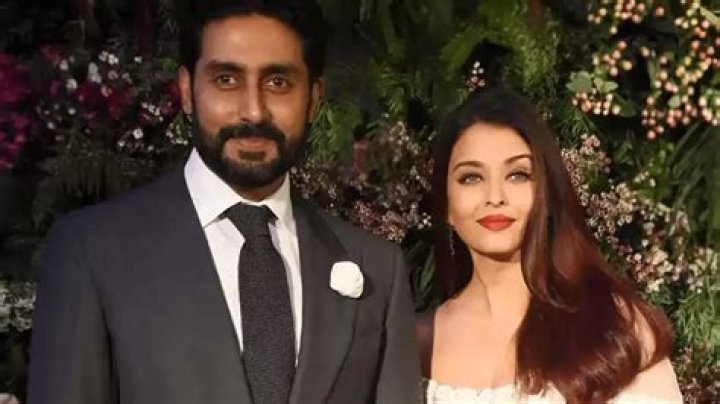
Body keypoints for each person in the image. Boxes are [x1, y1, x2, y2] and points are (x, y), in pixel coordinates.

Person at [27, 1, 420, 403]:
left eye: (278, 82)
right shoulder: (93, 251)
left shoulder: (377, 270)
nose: (254, 111)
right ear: (187, 90)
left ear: (314, 99)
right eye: (226, 80)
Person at [416, 87, 683, 403]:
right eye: (471, 178)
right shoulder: (415, 343)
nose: (495, 196)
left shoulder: (612, 326)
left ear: (546, 192)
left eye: (517, 175)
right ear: (445, 204)